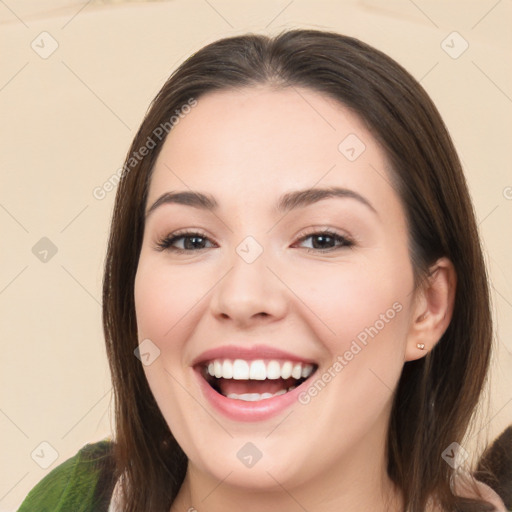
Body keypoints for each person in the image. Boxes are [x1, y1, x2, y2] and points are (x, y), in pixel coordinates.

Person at [17, 29, 509, 512]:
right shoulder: (71, 498)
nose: (242, 296)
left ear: (428, 306)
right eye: (190, 239)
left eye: (322, 239)